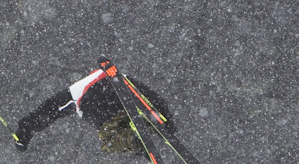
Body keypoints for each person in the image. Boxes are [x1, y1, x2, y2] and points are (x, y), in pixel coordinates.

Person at [15, 60, 177, 154]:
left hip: (94, 104)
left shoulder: (77, 90)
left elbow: (51, 109)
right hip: (116, 89)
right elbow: (146, 95)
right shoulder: (118, 77)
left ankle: (135, 140)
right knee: (124, 125)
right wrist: (166, 117)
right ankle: (139, 135)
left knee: (110, 140)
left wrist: (26, 130)